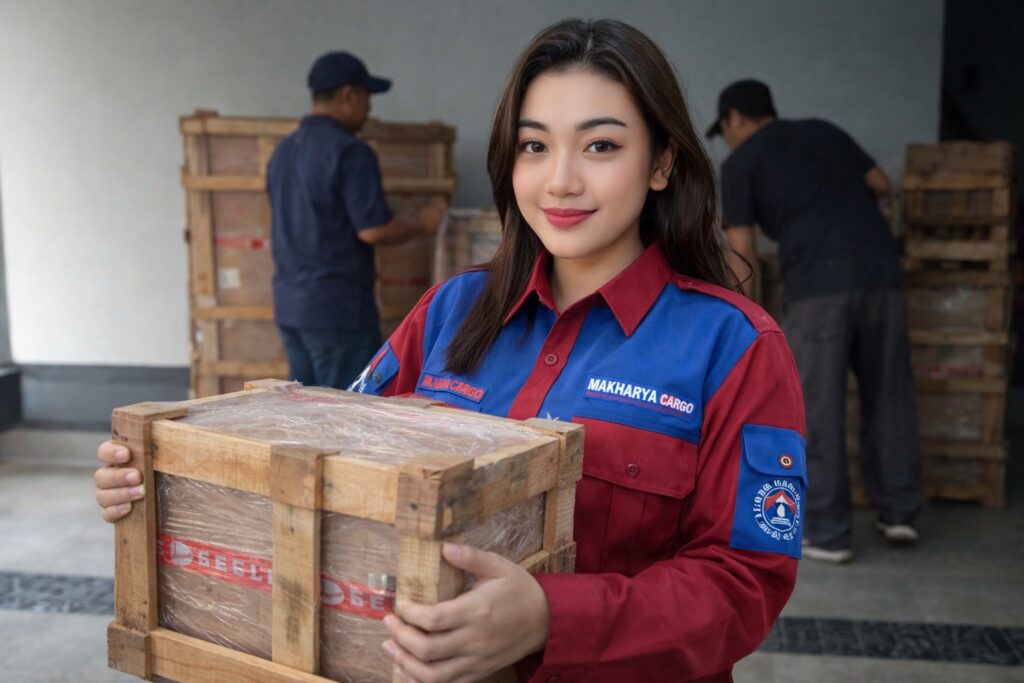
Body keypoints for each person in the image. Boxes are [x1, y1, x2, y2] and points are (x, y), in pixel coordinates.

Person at [96, 20, 806, 682]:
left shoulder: (735, 348)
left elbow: (745, 583)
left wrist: (552, 616)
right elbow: (334, 470)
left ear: (662, 163)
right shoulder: (452, 310)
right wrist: (169, 487)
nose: (560, 180)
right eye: (534, 146)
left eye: (600, 146)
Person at [708, 79, 922, 564]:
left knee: (818, 408)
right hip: (881, 276)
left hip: (818, 289)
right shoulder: (825, 131)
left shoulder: (741, 163)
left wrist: (746, 315)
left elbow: (742, 247)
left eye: (725, 130)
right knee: (890, 395)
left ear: (735, 119)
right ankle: (899, 512)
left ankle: (828, 531)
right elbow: (880, 184)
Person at [268, 51, 446, 389]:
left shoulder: (284, 151)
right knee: (348, 409)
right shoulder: (351, 151)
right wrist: (422, 224)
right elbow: (373, 229)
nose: (369, 109)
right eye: (366, 97)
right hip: (337, 312)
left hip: (290, 308)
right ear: (348, 95)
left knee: (300, 409)